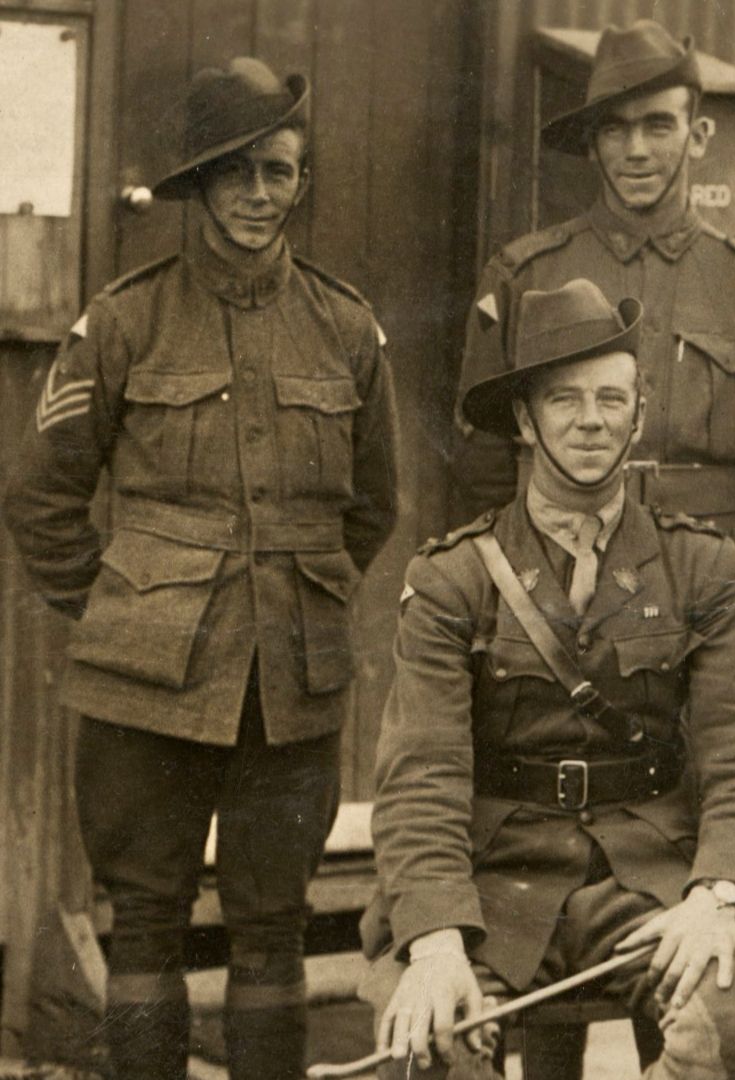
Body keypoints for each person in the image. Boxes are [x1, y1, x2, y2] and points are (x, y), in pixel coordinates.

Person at [3, 57, 398, 1080]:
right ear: (197, 186)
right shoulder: (123, 322)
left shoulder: (346, 327)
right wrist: (125, 606)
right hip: (143, 686)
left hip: (292, 681)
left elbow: (372, 507)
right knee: (146, 920)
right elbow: (41, 496)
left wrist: (301, 596)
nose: (259, 195)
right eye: (235, 173)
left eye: (279, 170)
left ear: (301, 180)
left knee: (273, 925)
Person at [361, 279, 735, 1080]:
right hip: (494, 882)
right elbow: (422, 774)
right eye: (564, 399)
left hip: (651, 875)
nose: (591, 420)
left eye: (611, 398)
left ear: (638, 413)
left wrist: (716, 896)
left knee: (730, 1015)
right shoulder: (455, 578)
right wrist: (437, 939)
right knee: (424, 1046)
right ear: (525, 421)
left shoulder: (699, 565)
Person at [451, 18, 735, 593]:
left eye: (658, 125)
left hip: (711, 579)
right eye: (615, 129)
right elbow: (482, 466)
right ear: (592, 145)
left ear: (698, 136)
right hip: (559, 576)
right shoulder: (523, 275)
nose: (636, 151)